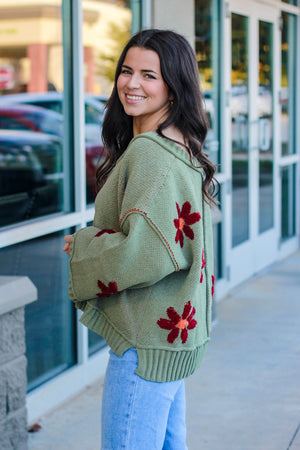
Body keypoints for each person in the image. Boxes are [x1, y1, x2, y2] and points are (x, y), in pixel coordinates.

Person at [63, 28, 217, 450]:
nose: (132, 84)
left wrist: (83, 247)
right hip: (167, 332)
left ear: (174, 87)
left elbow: (146, 252)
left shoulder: (152, 152)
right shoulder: (178, 145)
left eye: (150, 75)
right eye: (127, 71)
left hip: (145, 341)